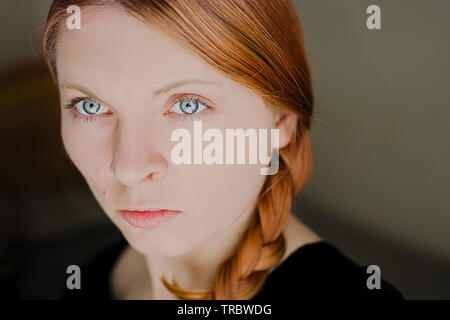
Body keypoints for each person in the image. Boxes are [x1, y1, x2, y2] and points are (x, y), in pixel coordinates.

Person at [42, 0, 404, 300]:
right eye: (89, 106)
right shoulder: (94, 275)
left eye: (188, 105)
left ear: (281, 121)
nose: (128, 168)